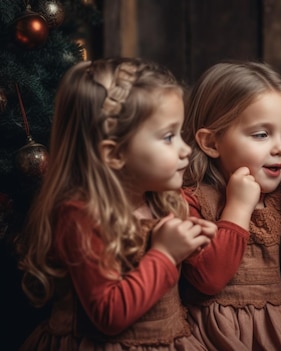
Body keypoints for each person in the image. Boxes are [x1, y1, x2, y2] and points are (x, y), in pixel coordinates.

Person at [16, 57, 216, 350]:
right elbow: (108, 315)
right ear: (115, 154)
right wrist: (164, 253)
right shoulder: (80, 216)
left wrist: (187, 246)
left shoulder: (161, 201)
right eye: (168, 137)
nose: (186, 149)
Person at [180, 61, 281, 350]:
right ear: (211, 143)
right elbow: (209, 279)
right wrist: (237, 207)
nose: (280, 148)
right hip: (219, 336)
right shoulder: (192, 200)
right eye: (262, 134)